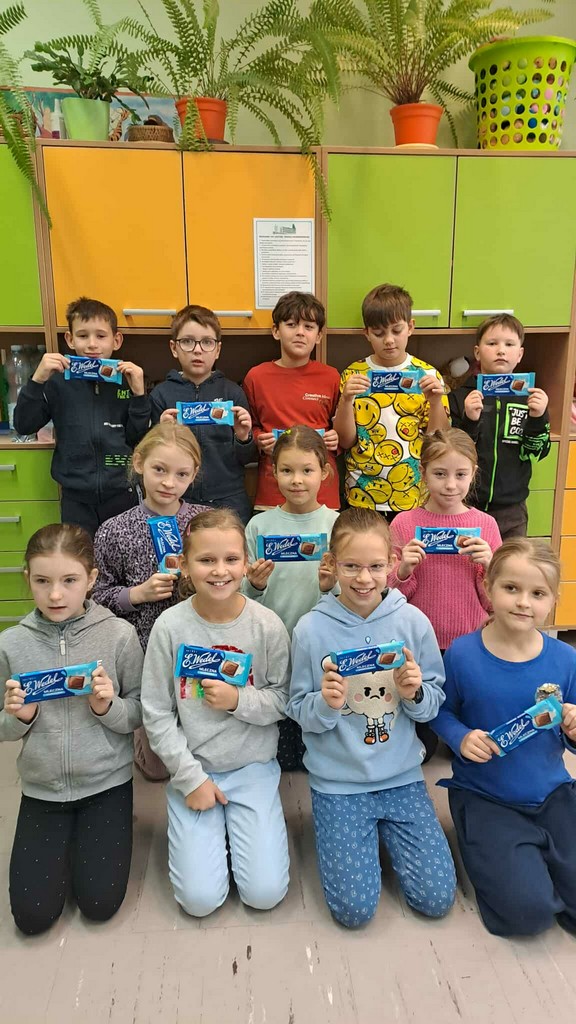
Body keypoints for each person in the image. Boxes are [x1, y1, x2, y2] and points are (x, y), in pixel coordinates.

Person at [288, 508, 456, 929]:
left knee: (436, 899)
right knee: (354, 911)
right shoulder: (310, 629)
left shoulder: (412, 621)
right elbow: (298, 709)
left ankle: (382, 837)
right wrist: (325, 704)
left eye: (376, 567)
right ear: (332, 564)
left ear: (392, 563)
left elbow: (433, 702)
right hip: (338, 782)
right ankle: (353, 837)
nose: (364, 579)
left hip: (401, 776)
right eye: (351, 567)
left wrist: (414, 693)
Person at [141, 509, 291, 918]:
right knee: (200, 901)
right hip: (193, 769)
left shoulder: (267, 626)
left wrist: (238, 701)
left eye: (230, 559)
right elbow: (155, 710)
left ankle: (240, 833)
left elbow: (283, 700)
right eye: (206, 560)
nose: (220, 570)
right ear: (185, 566)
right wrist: (190, 779)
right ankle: (209, 833)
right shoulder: (170, 627)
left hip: (252, 768)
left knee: (264, 894)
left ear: (246, 563)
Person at [0, 524, 143, 936]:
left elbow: (138, 712)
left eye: (69, 580)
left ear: (92, 579)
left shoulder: (119, 635)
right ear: (27, 578)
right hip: (42, 789)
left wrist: (106, 707)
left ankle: (90, 839)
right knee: (32, 918)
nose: (55, 595)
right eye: (42, 581)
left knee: (99, 905)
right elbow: (3, 728)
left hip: (107, 783)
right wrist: (19, 717)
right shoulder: (11, 644)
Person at [432, 539, 576, 937]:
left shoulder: (566, 659)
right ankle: (499, 855)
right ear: (488, 588)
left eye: (538, 593)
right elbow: (440, 712)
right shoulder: (462, 654)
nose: (523, 602)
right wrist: (460, 737)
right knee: (528, 915)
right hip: (486, 797)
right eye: (511, 588)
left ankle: (538, 864)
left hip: (553, 793)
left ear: (553, 600)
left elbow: (572, 728)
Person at [93, 422, 208, 781]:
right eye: (159, 469)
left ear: (193, 475)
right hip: (142, 651)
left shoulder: (204, 523)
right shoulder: (114, 530)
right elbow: (96, 596)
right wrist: (136, 594)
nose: (169, 483)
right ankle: (147, 735)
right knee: (158, 770)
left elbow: (229, 578)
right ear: (139, 462)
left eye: (181, 474)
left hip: (199, 645)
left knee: (204, 747)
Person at [388, 428, 502, 761]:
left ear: (473, 474)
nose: (450, 485)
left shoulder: (486, 525)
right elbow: (389, 600)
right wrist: (403, 570)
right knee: (421, 749)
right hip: (418, 645)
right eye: (440, 474)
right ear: (422, 473)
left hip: (470, 644)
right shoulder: (404, 524)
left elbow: (494, 603)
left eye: (460, 475)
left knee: (464, 749)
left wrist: (489, 567)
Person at [244, 426, 339, 770]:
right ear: (273, 472)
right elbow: (242, 596)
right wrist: (254, 585)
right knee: (281, 706)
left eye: (307, 470)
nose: (296, 480)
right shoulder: (258, 526)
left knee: (318, 699)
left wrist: (331, 587)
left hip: (322, 640)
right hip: (274, 639)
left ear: (324, 472)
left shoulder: (336, 525)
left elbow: (352, 591)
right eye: (286, 470)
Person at [13, 296, 150, 537]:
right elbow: (24, 425)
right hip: (75, 497)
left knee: (122, 554)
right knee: (79, 556)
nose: (92, 344)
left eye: (101, 336)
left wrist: (139, 395)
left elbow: (138, 439)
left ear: (116, 340)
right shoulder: (57, 382)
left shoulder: (127, 381)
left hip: (122, 492)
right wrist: (37, 380)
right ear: (70, 339)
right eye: (83, 335)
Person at [333, 283, 449, 520]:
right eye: (378, 333)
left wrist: (436, 402)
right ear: (367, 333)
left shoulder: (427, 375)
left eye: (396, 330)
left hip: (412, 494)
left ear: (410, 327)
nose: (388, 340)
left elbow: (438, 440)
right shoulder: (354, 375)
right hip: (361, 492)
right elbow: (345, 440)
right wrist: (346, 400)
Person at [150, 304, 256, 524]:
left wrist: (243, 437)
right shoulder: (161, 394)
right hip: (178, 499)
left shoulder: (232, 393)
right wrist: (161, 432)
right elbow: (153, 459)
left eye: (207, 342)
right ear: (174, 347)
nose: (197, 350)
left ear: (217, 349)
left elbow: (247, 458)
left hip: (229, 499)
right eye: (188, 341)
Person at [448, 314, 550, 539]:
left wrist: (538, 419)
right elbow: (450, 453)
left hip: (512, 510)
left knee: (512, 561)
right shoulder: (459, 398)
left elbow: (537, 452)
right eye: (492, 343)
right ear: (477, 352)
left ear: (520, 354)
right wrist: (470, 421)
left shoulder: (530, 399)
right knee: (468, 561)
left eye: (509, 344)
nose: (501, 350)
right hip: (465, 505)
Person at [243, 291, 341, 510]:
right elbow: (249, 427)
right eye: (291, 325)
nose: (300, 332)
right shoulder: (256, 377)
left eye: (308, 326)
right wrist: (258, 439)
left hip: (323, 497)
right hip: (272, 495)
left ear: (319, 335)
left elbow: (342, 431)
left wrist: (337, 438)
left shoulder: (332, 377)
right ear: (276, 331)